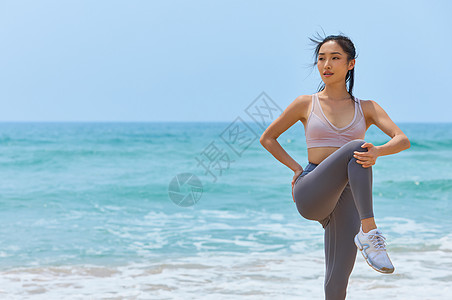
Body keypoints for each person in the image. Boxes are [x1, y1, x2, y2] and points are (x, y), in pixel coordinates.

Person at [259, 33, 411, 300]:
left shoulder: (367, 108)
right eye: (321, 59)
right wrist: (295, 169)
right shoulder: (306, 103)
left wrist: (378, 151)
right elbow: (268, 138)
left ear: (350, 64)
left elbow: (402, 140)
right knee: (357, 147)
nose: (326, 64)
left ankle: (366, 234)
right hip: (312, 188)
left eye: (335, 58)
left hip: (349, 196)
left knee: (337, 281)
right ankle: (370, 231)